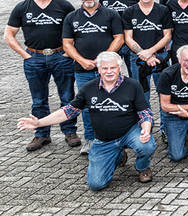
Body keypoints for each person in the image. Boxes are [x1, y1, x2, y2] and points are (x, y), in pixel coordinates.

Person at [18, 51, 156, 190]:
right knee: (96, 184)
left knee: (146, 145)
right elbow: (68, 111)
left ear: (119, 68)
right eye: (105, 68)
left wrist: (146, 128)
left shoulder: (133, 85)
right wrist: (39, 123)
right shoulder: (89, 88)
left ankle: (142, 167)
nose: (109, 71)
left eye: (113, 68)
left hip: (129, 132)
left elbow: (145, 113)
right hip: (104, 140)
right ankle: (118, 156)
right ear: (99, 69)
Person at [5, 0, 79, 151]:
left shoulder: (64, 6)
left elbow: (77, 30)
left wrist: (68, 53)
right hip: (34, 58)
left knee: (67, 97)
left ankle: (70, 132)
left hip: (60, 57)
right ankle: (41, 134)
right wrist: (24, 55)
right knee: (38, 100)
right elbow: (9, 34)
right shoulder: (23, 7)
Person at [62, 0, 124, 154]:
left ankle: (115, 139)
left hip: (109, 71)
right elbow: (67, 44)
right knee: (88, 105)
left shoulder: (111, 14)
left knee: (113, 104)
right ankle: (90, 140)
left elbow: (119, 38)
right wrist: (81, 60)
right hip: (83, 71)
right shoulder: (71, 17)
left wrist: (103, 60)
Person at [122, 0, 172, 123]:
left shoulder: (163, 10)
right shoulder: (129, 12)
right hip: (138, 58)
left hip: (160, 57)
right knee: (142, 94)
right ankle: (146, 125)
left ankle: (165, 127)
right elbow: (128, 37)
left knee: (164, 93)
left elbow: (167, 36)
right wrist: (142, 53)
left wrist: (150, 52)